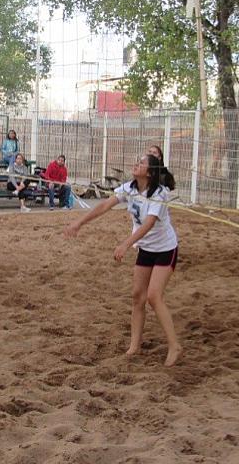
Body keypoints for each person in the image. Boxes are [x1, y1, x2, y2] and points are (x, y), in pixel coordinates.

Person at [64, 154, 183, 367]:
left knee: (154, 297)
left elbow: (148, 224)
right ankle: (134, 345)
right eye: (136, 160)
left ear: (150, 172)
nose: (136, 163)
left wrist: (126, 244)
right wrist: (79, 223)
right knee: (137, 297)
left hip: (165, 249)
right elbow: (104, 206)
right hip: (146, 248)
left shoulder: (160, 194)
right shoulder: (129, 188)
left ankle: (174, 345)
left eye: (142, 163)